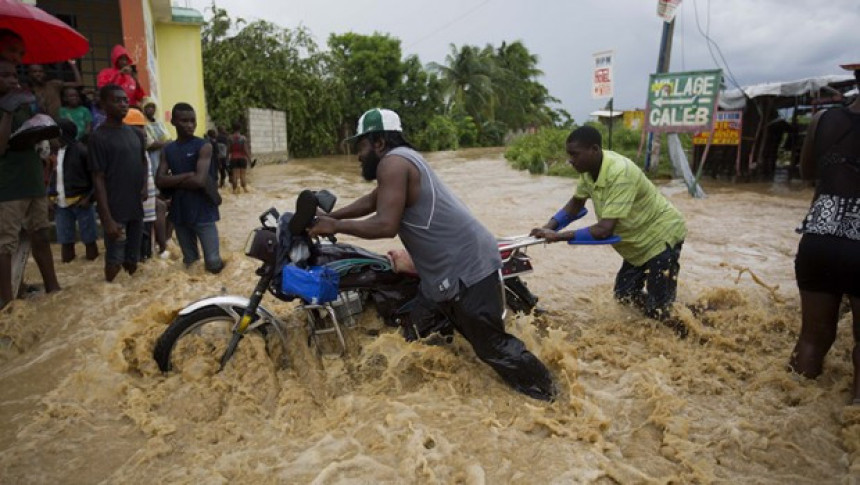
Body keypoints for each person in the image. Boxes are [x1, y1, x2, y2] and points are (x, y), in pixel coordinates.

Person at [308, 108, 556, 401]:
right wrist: (331, 216)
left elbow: (386, 224)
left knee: (493, 346)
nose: (358, 155)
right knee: (440, 332)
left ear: (379, 143)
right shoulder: (403, 161)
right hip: (453, 268)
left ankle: (551, 397)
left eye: (361, 146)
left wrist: (336, 225)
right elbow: (374, 200)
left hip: (465, 268)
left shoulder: (393, 163)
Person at [530, 126, 687, 334]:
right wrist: (546, 228)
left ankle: (687, 328)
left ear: (594, 149)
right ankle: (670, 313)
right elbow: (575, 206)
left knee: (658, 311)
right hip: (635, 243)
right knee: (624, 296)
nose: (570, 160)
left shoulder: (619, 172)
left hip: (660, 237)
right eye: (569, 154)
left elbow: (604, 230)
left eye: (574, 154)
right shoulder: (589, 172)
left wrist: (557, 237)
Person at [789, 63, 860, 404]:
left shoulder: (822, 121)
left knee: (812, 340)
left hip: (819, 237)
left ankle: (790, 406)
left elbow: (808, 173)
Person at [0, 57, 61, 308]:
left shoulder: (23, 104)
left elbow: (29, 137)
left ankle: (53, 288)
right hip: (8, 185)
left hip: (33, 179)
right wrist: (7, 111)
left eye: (15, 75)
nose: (12, 80)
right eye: (5, 75)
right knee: (6, 244)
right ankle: (7, 301)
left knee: (41, 234)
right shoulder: (9, 106)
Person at [88, 84, 148, 282]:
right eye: (117, 100)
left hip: (136, 209)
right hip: (115, 212)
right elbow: (98, 178)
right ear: (104, 105)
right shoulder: (99, 137)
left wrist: (145, 187)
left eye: (125, 100)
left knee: (133, 260)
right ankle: (109, 295)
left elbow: (143, 161)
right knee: (114, 261)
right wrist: (106, 219)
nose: (123, 104)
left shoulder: (136, 134)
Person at [156, 102, 223, 274]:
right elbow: (159, 180)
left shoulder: (204, 146)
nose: (190, 125)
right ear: (173, 122)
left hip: (204, 211)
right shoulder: (168, 149)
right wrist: (187, 175)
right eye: (184, 121)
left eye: (193, 121)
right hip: (180, 212)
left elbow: (199, 181)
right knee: (190, 264)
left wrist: (172, 179)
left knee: (214, 263)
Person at [48, 119, 98, 262]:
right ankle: (69, 263)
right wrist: (50, 196)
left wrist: (89, 198)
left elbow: (95, 177)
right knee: (65, 241)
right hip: (60, 203)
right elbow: (51, 177)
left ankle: (91, 265)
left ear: (62, 134)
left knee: (89, 239)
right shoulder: (54, 153)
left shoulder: (81, 150)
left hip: (81, 201)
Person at [123, 107, 158, 261]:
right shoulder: (128, 149)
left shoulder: (141, 148)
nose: (142, 132)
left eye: (142, 127)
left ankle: (144, 258)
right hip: (135, 203)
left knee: (146, 234)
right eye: (138, 127)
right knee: (136, 236)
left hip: (147, 202)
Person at [142, 98, 169, 178]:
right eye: (148, 107)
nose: (150, 109)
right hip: (151, 156)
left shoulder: (159, 123)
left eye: (153, 107)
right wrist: (166, 143)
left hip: (163, 154)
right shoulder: (143, 123)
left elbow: (168, 137)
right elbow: (149, 144)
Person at [227, 121, 251, 193]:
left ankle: (234, 191)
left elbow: (228, 149)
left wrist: (226, 158)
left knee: (234, 175)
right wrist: (250, 159)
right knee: (243, 175)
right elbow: (245, 150)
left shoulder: (230, 138)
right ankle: (245, 190)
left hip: (234, 158)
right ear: (240, 128)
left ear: (232, 128)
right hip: (242, 158)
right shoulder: (243, 138)